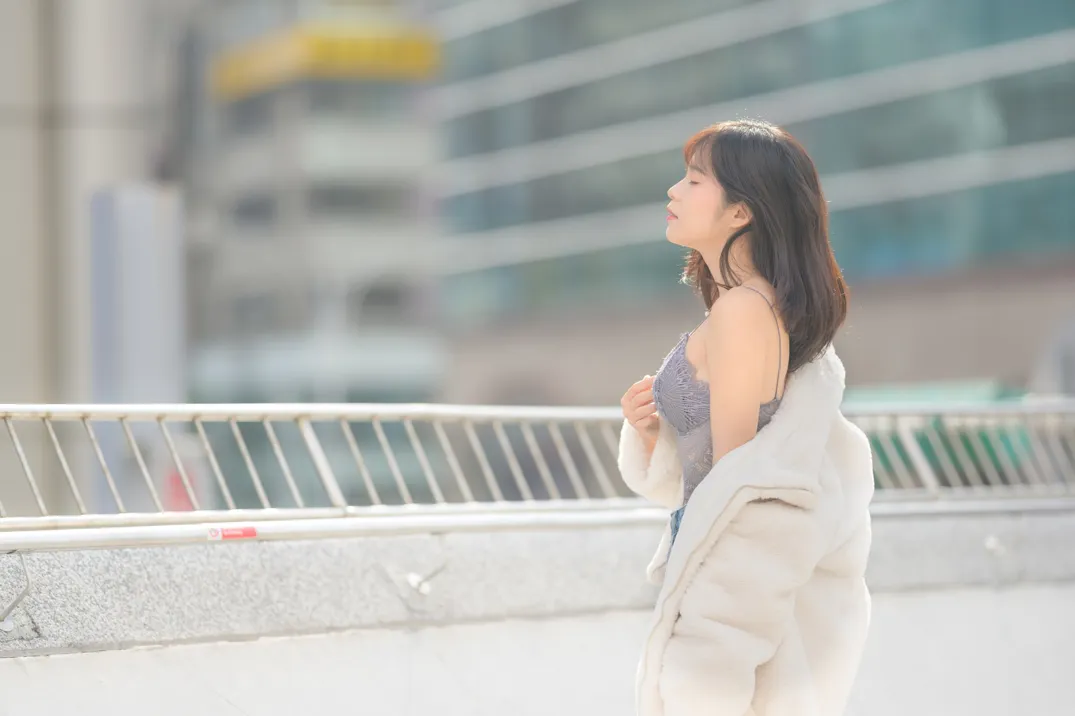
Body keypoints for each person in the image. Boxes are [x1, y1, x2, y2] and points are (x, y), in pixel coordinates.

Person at [617, 119, 874, 716]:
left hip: (721, 591)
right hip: (714, 577)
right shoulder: (746, 305)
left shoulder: (742, 310)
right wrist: (653, 428)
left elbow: (737, 492)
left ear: (741, 212)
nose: (673, 192)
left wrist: (703, 659)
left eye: (695, 180)